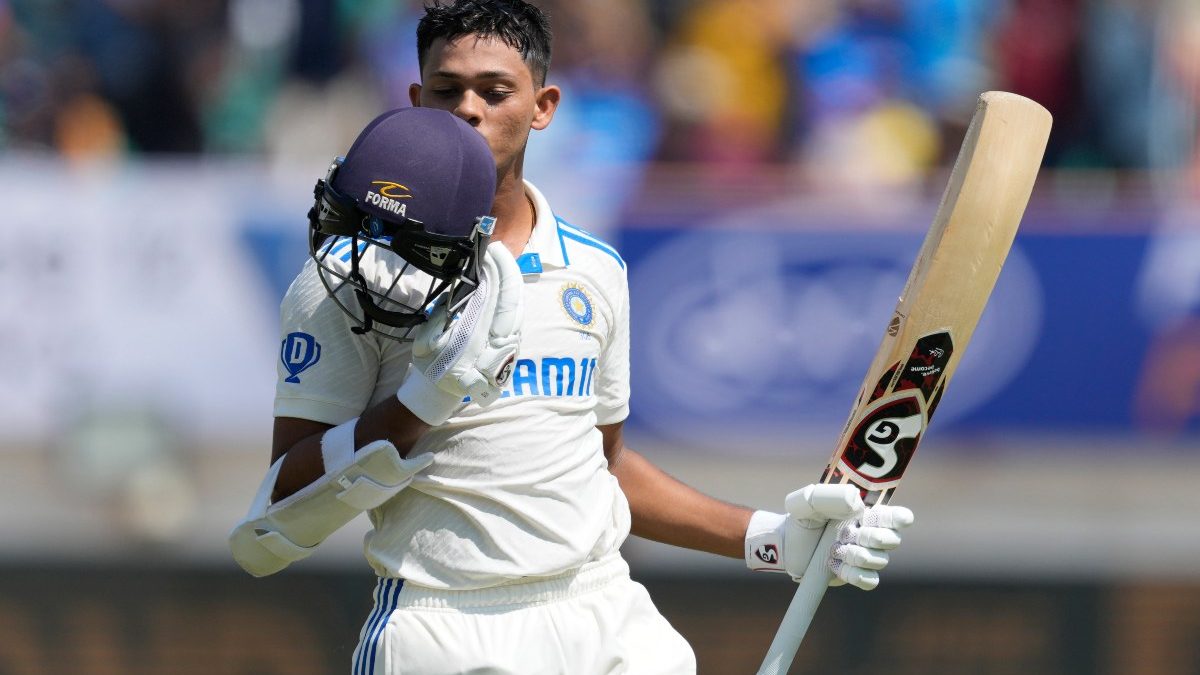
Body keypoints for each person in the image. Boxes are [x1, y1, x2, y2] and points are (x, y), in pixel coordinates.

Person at [229, 2, 915, 673]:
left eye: (495, 91)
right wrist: (420, 404)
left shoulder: (593, 268)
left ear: (543, 105)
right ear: (416, 98)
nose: (469, 109)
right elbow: (280, 509)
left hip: (603, 611)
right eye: (447, 89)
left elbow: (602, 462)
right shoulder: (349, 278)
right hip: (445, 623)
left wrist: (771, 538)